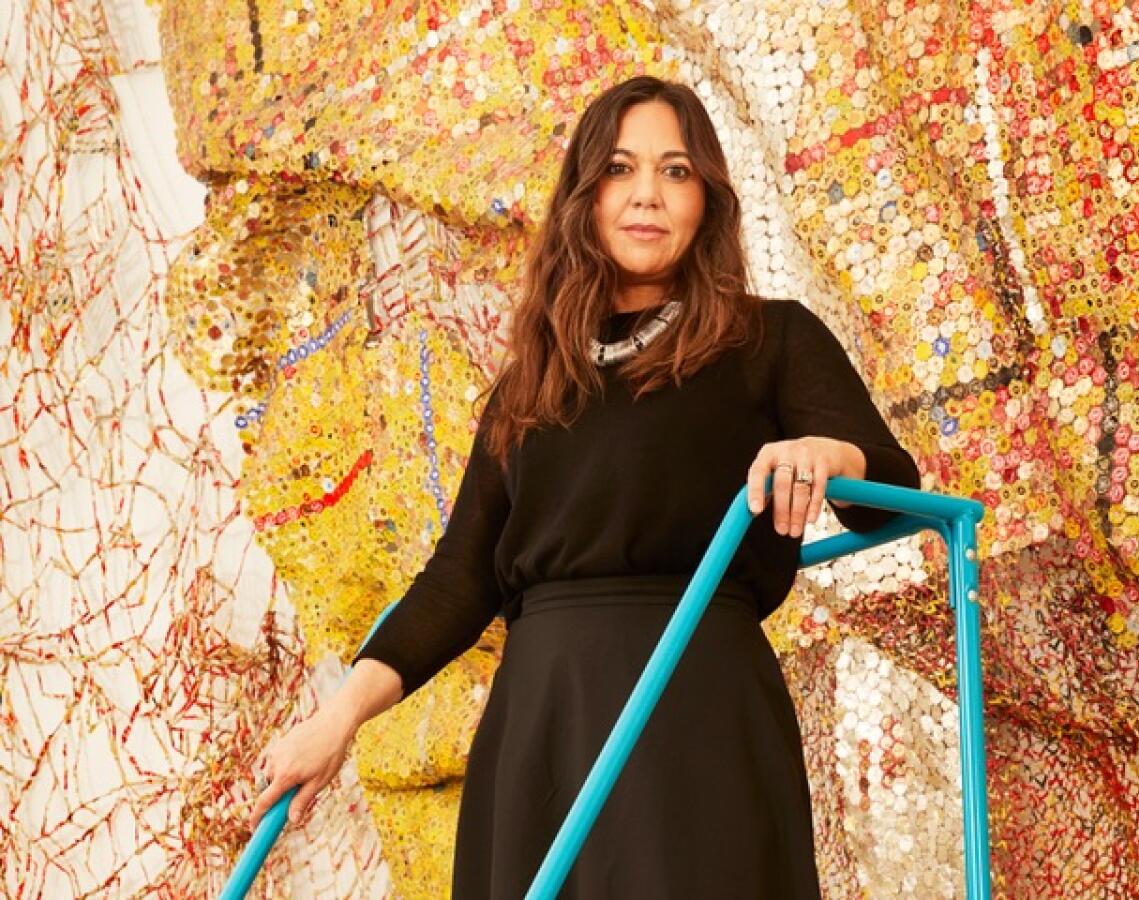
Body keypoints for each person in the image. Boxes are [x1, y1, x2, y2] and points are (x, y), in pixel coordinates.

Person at [250, 76, 920, 899]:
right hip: (544, 724)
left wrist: (825, 451)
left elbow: (890, 486)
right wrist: (337, 719)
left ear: (707, 197)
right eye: (618, 169)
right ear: (584, 197)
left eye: (676, 171)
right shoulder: (531, 382)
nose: (647, 195)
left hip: (697, 706)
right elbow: (459, 578)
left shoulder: (769, 337)